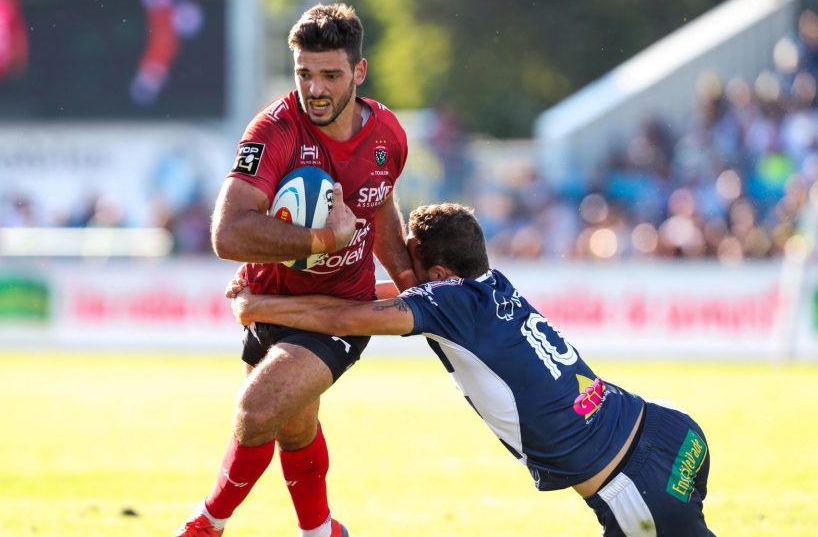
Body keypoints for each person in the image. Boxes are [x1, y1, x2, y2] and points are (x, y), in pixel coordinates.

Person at [229, 202, 715, 537]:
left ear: (438, 275)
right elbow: (364, 299)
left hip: (635, 487)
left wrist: (259, 309)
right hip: (671, 429)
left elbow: (346, 318)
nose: (404, 276)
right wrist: (273, 294)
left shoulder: (449, 302)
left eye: (410, 264)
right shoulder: (488, 284)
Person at [175, 3, 416, 537]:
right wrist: (321, 239)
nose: (317, 89)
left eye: (331, 74)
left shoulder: (389, 137)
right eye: (304, 74)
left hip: (339, 312)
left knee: (258, 409)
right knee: (293, 428)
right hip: (272, 303)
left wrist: (411, 283)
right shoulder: (274, 131)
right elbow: (227, 233)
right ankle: (321, 531)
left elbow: (380, 209)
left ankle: (205, 525)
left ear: (359, 72)